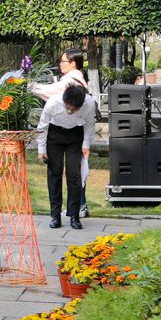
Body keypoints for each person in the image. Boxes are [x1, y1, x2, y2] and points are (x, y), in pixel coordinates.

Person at [38, 83, 98, 230]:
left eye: (74, 109)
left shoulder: (89, 103)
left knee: (74, 174)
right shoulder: (53, 103)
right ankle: (55, 216)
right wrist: (41, 149)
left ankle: (74, 215)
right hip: (55, 135)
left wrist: (86, 145)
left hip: (75, 135)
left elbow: (90, 124)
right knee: (55, 173)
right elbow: (43, 126)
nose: (70, 111)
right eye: (68, 108)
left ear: (81, 105)